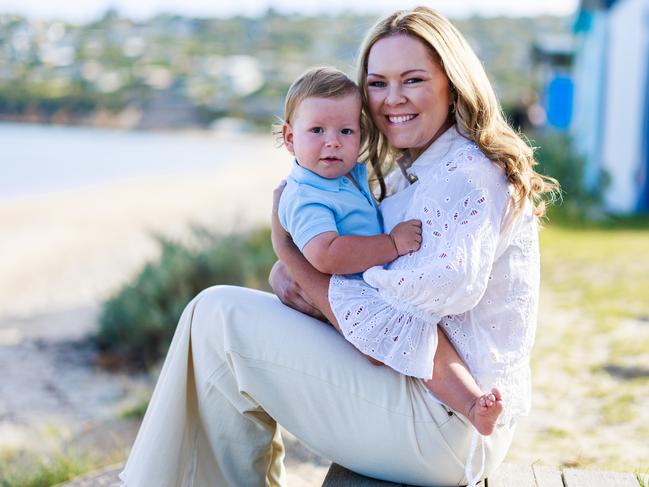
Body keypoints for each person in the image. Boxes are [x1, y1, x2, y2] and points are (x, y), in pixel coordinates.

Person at [119, 7, 558, 487]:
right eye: (376, 83)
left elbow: (387, 334)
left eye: (411, 80)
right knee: (219, 321)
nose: (391, 100)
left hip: (447, 427)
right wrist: (294, 283)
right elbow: (360, 292)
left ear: (450, 85)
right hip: (436, 410)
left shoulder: (464, 177)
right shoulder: (413, 171)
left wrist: (289, 255)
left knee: (215, 316)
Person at [276, 65, 504, 435]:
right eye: (317, 130)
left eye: (345, 131)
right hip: (346, 294)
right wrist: (391, 245)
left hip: (362, 291)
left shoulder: (346, 176)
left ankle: (471, 404)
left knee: (428, 338)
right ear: (289, 138)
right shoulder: (305, 194)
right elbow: (325, 254)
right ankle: (468, 403)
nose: (332, 141)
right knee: (423, 338)